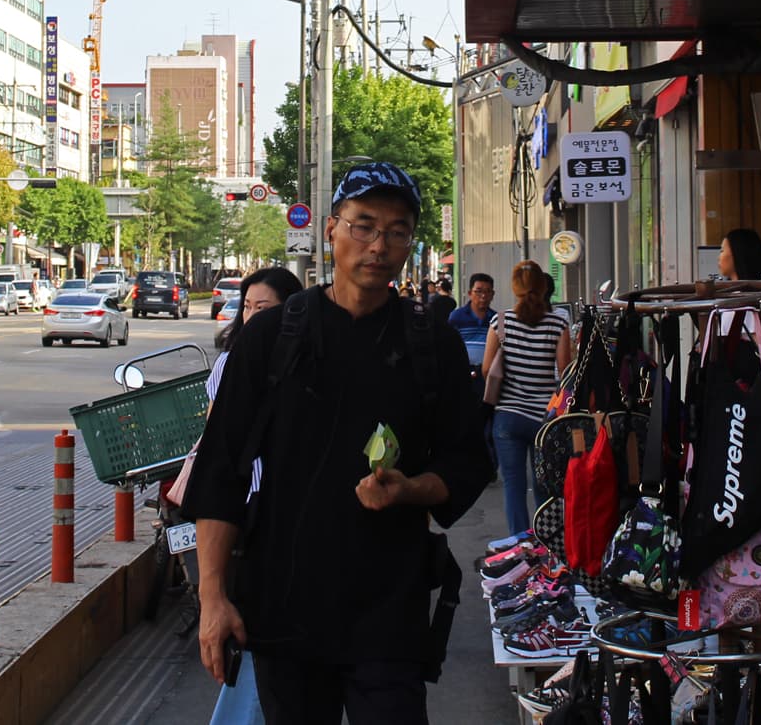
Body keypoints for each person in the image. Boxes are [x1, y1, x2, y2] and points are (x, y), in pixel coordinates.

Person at [185, 162, 490, 724]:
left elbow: (468, 460)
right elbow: (221, 473)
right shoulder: (272, 339)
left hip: (389, 613)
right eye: (364, 225)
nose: (378, 245)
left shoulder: (431, 345)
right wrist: (213, 597)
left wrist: (410, 489)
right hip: (284, 609)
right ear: (331, 229)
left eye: (397, 231)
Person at [200, 267, 300, 725]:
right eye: (248, 307)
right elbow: (221, 442)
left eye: (266, 308)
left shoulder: (303, 355)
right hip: (249, 512)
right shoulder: (235, 359)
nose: (254, 316)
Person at [480, 260, 572, 537]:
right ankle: (547, 545)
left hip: (507, 417)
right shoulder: (559, 323)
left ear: (515, 288)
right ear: (544, 288)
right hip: (545, 419)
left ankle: (520, 545)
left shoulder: (501, 322)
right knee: (545, 486)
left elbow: (487, 369)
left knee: (513, 485)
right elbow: (565, 370)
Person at [448, 273, 497, 369]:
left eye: (488, 291)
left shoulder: (498, 320)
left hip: (489, 374)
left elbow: (502, 348)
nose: (483, 296)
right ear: (470, 293)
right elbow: (448, 347)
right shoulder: (456, 317)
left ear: (492, 295)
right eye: (478, 291)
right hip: (462, 372)